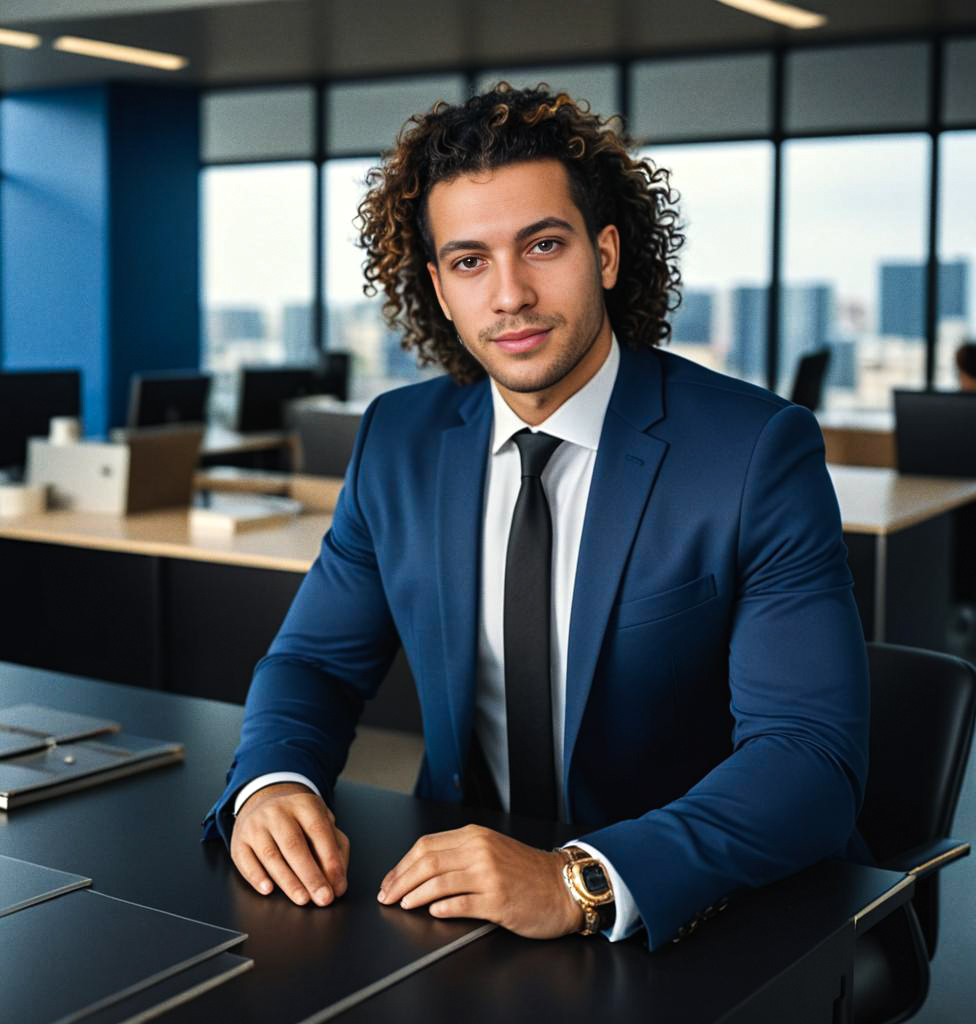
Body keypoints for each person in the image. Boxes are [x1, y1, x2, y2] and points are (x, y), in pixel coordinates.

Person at [203, 84, 869, 950]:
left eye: (542, 245)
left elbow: (809, 758)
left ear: (606, 253)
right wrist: (274, 782)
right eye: (471, 261)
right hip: (465, 910)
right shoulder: (399, 441)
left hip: (705, 915)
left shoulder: (754, 453)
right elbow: (314, 664)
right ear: (440, 288)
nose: (509, 294)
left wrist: (579, 877)